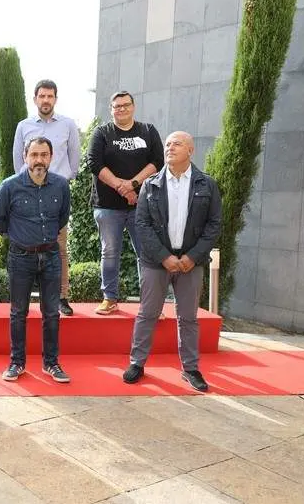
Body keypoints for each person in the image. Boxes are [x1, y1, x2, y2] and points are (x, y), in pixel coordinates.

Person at [123, 131, 221, 392]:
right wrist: (164, 257)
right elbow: (141, 224)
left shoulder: (206, 185)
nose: (170, 148)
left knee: (188, 317)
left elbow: (214, 225)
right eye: (167, 144)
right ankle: (137, 363)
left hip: (191, 261)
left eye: (176, 144)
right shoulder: (150, 184)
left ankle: (190, 369)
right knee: (147, 314)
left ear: (191, 150)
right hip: (157, 261)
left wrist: (193, 256)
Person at [0, 137, 70, 383]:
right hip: (20, 257)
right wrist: (19, 237)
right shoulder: (9, 186)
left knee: (52, 313)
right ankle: (17, 363)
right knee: (18, 312)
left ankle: (51, 363)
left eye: (44, 155)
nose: (39, 160)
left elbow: (63, 218)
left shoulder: (60, 186)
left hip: (51, 256)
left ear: (51, 156)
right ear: (25, 156)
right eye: (34, 154)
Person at [86, 90, 164, 315]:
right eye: (117, 106)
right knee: (109, 252)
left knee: (146, 253)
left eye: (125, 105)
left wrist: (133, 184)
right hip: (107, 206)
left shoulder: (147, 131)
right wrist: (123, 188)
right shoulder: (102, 133)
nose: (121, 109)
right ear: (111, 109)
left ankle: (151, 303)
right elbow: (94, 163)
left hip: (143, 205)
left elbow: (157, 161)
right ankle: (109, 298)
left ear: (133, 106)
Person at [12, 79, 80, 316]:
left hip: (55, 196)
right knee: (25, 248)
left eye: (50, 96)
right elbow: (18, 164)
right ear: (35, 99)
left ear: (55, 99)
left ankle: (61, 297)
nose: (46, 100)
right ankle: (23, 301)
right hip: (28, 197)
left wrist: (58, 184)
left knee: (59, 247)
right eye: (42, 96)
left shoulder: (68, 125)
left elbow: (74, 163)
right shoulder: (23, 126)